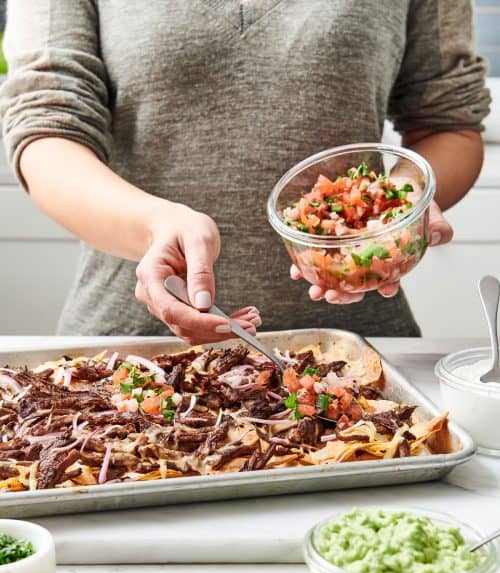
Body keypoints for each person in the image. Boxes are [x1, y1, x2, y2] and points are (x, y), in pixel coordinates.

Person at [0, 1, 489, 343]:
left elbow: (448, 124)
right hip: (132, 349)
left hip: (360, 348)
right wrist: (154, 225)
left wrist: (400, 207)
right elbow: (47, 131)